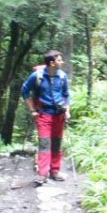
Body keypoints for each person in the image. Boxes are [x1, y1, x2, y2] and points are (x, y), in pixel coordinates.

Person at [21, 50, 70, 186]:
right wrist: (32, 110)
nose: (62, 62)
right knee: (44, 144)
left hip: (59, 115)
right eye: (59, 60)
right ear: (52, 63)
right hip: (44, 114)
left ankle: (55, 171)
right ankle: (42, 174)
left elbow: (66, 94)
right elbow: (24, 91)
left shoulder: (62, 76)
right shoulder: (37, 76)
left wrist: (67, 111)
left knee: (56, 143)